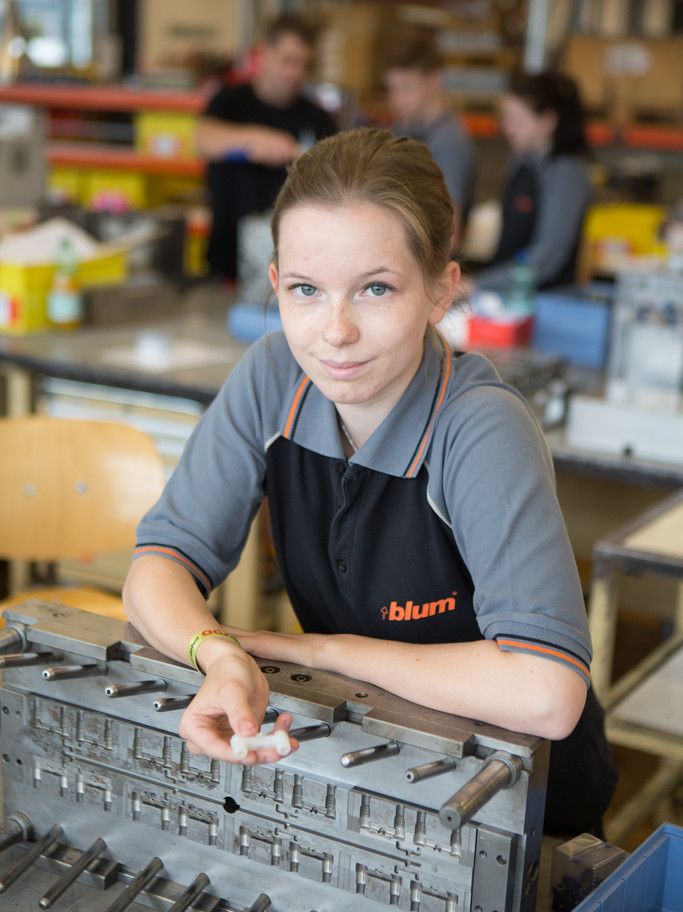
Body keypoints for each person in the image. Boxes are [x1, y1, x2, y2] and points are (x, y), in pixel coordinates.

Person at [123, 127, 616, 836]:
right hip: (370, 763)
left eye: (376, 288)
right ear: (275, 285)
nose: (335, 332)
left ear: (441, 290)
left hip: (522, 802)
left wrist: (322, 652)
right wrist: (220, 654)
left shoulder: (477, 427)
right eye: (305, 290)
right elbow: (156, 568)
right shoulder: (272, 376)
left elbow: (545, 692)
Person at [197, 13, 336, 280]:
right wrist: (257, 140)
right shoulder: (228, 102)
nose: (294, 73)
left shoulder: (319, 119)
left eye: (303, 65)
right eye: (288, 61)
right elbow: (204, 141)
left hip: (294, 267)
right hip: (226, 263)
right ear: (264, 54)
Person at [475, 71, 592, 292]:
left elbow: (545, 259)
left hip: (544, 303)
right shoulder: (520, 163)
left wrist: (478, 285)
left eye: (517, 120)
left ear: (547, 122)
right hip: (505, 293)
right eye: (505, 119)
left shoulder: (566, 174)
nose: (508, 128)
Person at [384, 30, 475, 249]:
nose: (397, 99)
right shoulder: (404, 128)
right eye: (392, 89)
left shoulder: (448, 141)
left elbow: (450, 234)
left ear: (435, 80)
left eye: (406, 87)